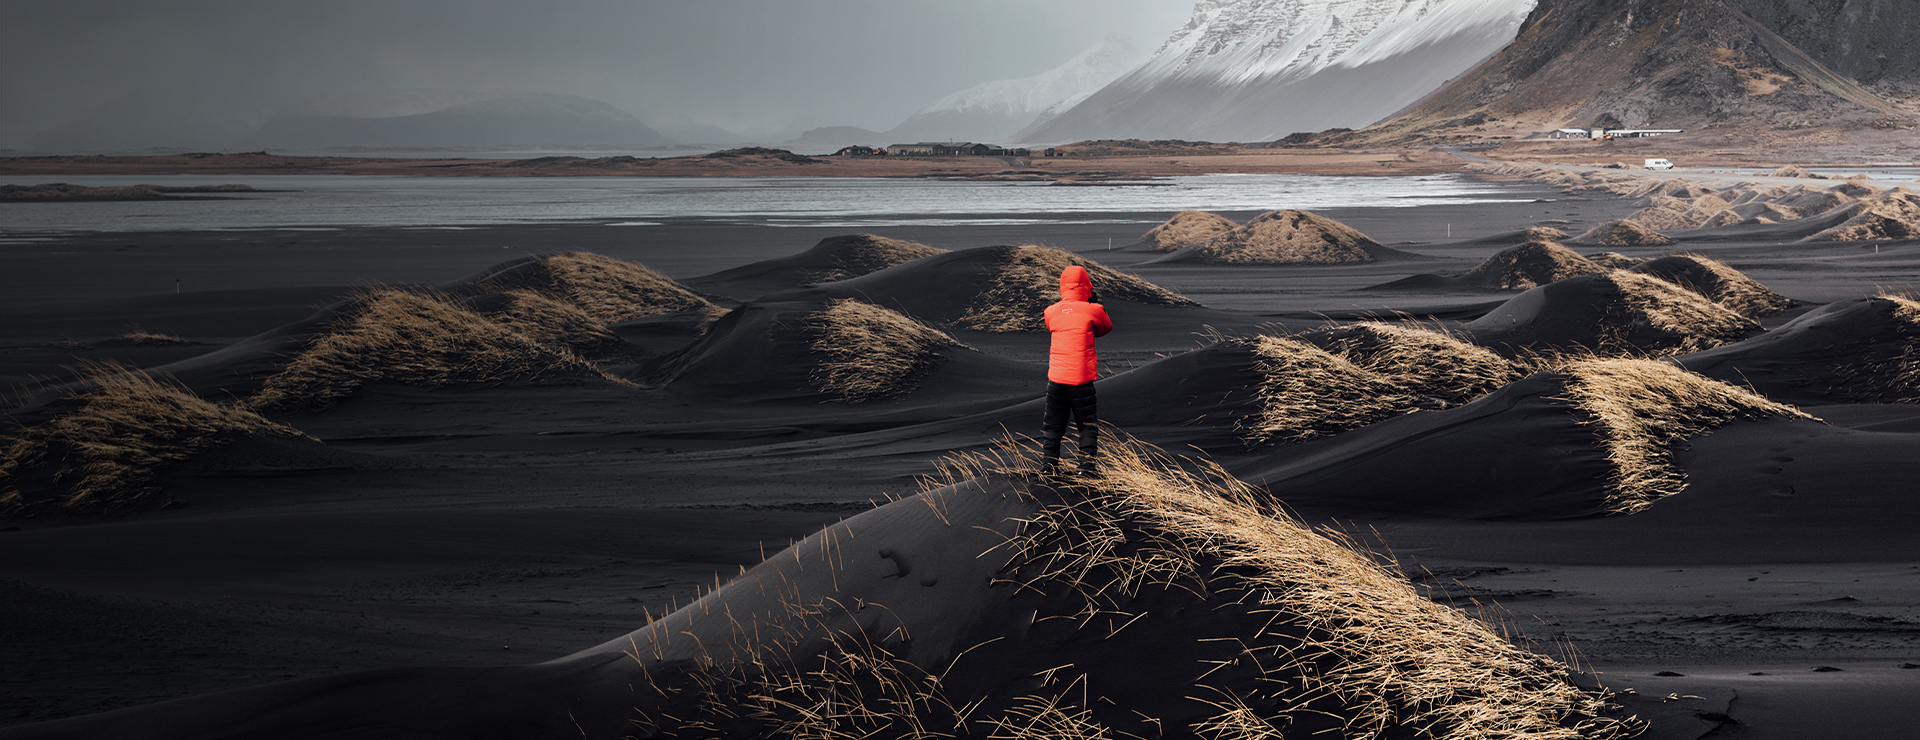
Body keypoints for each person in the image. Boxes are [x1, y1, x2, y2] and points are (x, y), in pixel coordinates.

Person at [1040, 265, 1113, 476]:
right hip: (1081, 379)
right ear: (1086, 286)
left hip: (1056, 378)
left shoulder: (1050, 311)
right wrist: (1093, 303)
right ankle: (1086, 468)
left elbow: (1055, 325)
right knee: (1087, 424)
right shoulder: (1094, 310)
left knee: (1053, 425)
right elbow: (1105, 327)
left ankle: (1048, 466)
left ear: (1063, 286)